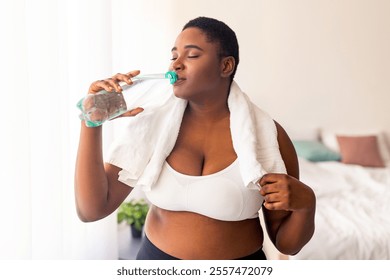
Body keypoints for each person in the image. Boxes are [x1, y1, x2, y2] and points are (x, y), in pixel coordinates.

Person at [74, 16, 316, 260]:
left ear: (225, 67)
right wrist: (91, 120)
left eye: (191, 56)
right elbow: (91, 209)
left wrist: (307, 205)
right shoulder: (151, 124)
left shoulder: (267, 136)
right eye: (173, 56)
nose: (176, 65)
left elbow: (287, 245)